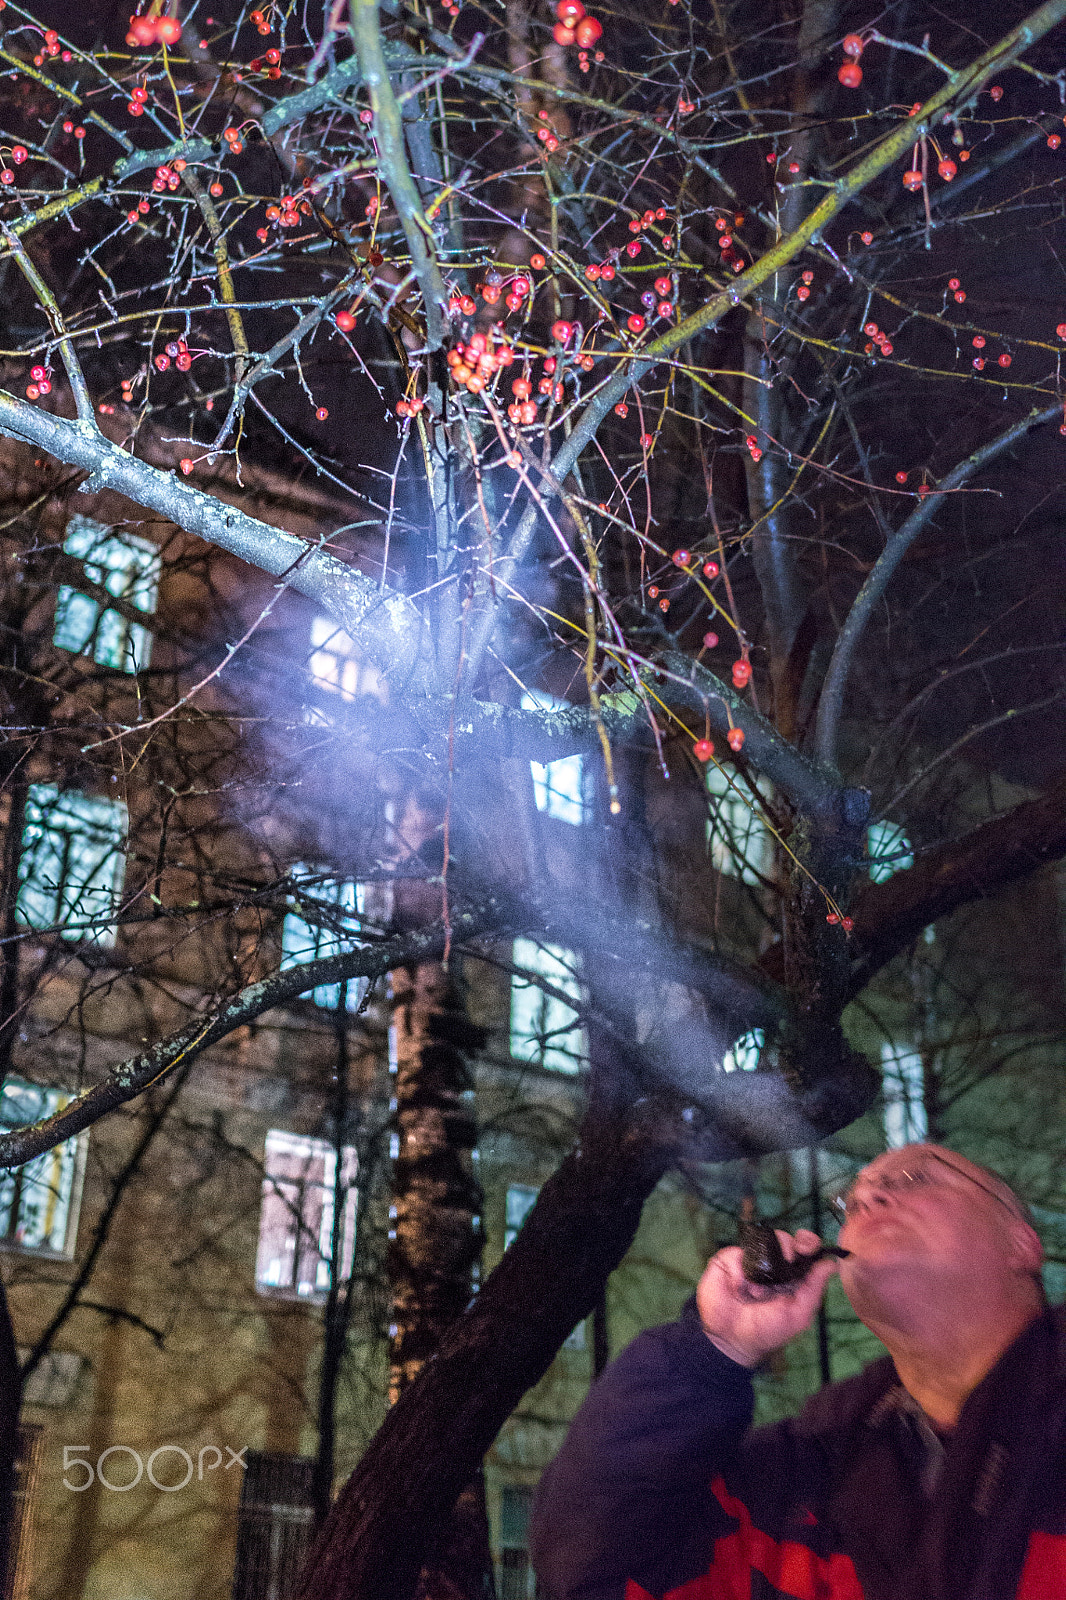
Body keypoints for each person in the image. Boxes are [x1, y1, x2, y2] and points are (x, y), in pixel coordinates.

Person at [530, 1143, 1066, 1600]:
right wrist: (710, 1351)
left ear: (1022, 1243)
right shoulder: (799, 1482)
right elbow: (591, 1572)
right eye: (849, 1202)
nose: (868, 1197)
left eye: (914, 1178)